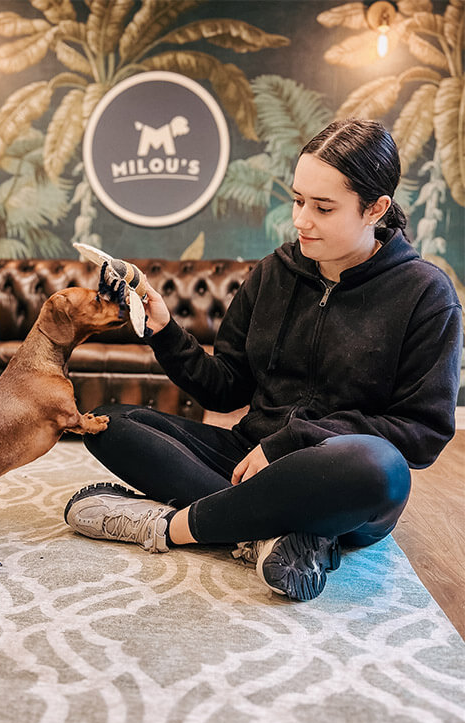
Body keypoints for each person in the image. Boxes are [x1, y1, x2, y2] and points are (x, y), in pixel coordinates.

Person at [64, 118, 462, 602]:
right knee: (110, 421)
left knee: (381, 468)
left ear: (375, 208)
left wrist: (294, 440)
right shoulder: (274, 272)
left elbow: (421, 433)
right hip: (246, 459)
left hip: (338, 476)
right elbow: (225, 387)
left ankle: (170, 526)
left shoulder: (425, 293)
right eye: (298, 200)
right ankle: (284, 534)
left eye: (323, 207)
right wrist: (165, 331)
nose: (301, 220)